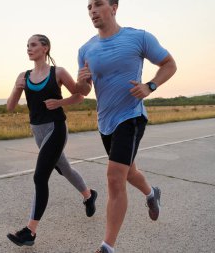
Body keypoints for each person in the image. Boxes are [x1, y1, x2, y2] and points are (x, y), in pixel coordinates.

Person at [76, 1, 177, 252]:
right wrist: (82, 83)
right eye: (89, 7)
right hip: (105, 121)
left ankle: (107, 246)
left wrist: (150, 86)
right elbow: (86, 90)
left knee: (113, 178)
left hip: (131, 117)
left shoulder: (139, 38)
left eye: (98, 5)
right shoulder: (85, 49)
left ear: (114, 7)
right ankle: (152, 193)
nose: (92, 11)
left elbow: (169, 64)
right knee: (129, 172)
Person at [6, 34, 98, 247]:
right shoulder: (24, 75)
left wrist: (60, 102)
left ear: (45, 48)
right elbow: (10, 107)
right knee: (64, 168)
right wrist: (16, 88)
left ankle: (30, 231)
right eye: (27, 45)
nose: (29, 48)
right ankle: (88, 194)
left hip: (56, 128)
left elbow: (79, 95)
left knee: (40, 176)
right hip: (37, 131)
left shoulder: (58, 72)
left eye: (33, 44)